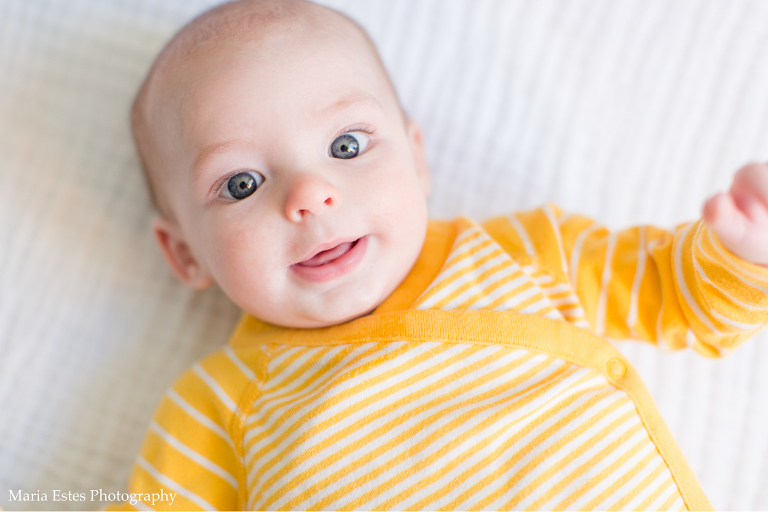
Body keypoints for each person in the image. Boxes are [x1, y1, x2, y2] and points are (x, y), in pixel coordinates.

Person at [117, 0, 768, 509]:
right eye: (241, 184)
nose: (310, 196)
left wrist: (741, 255)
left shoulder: (525, 255)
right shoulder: (216, 409)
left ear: (417, 157)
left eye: (346, 146)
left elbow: (671, 293)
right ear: (186, 255)